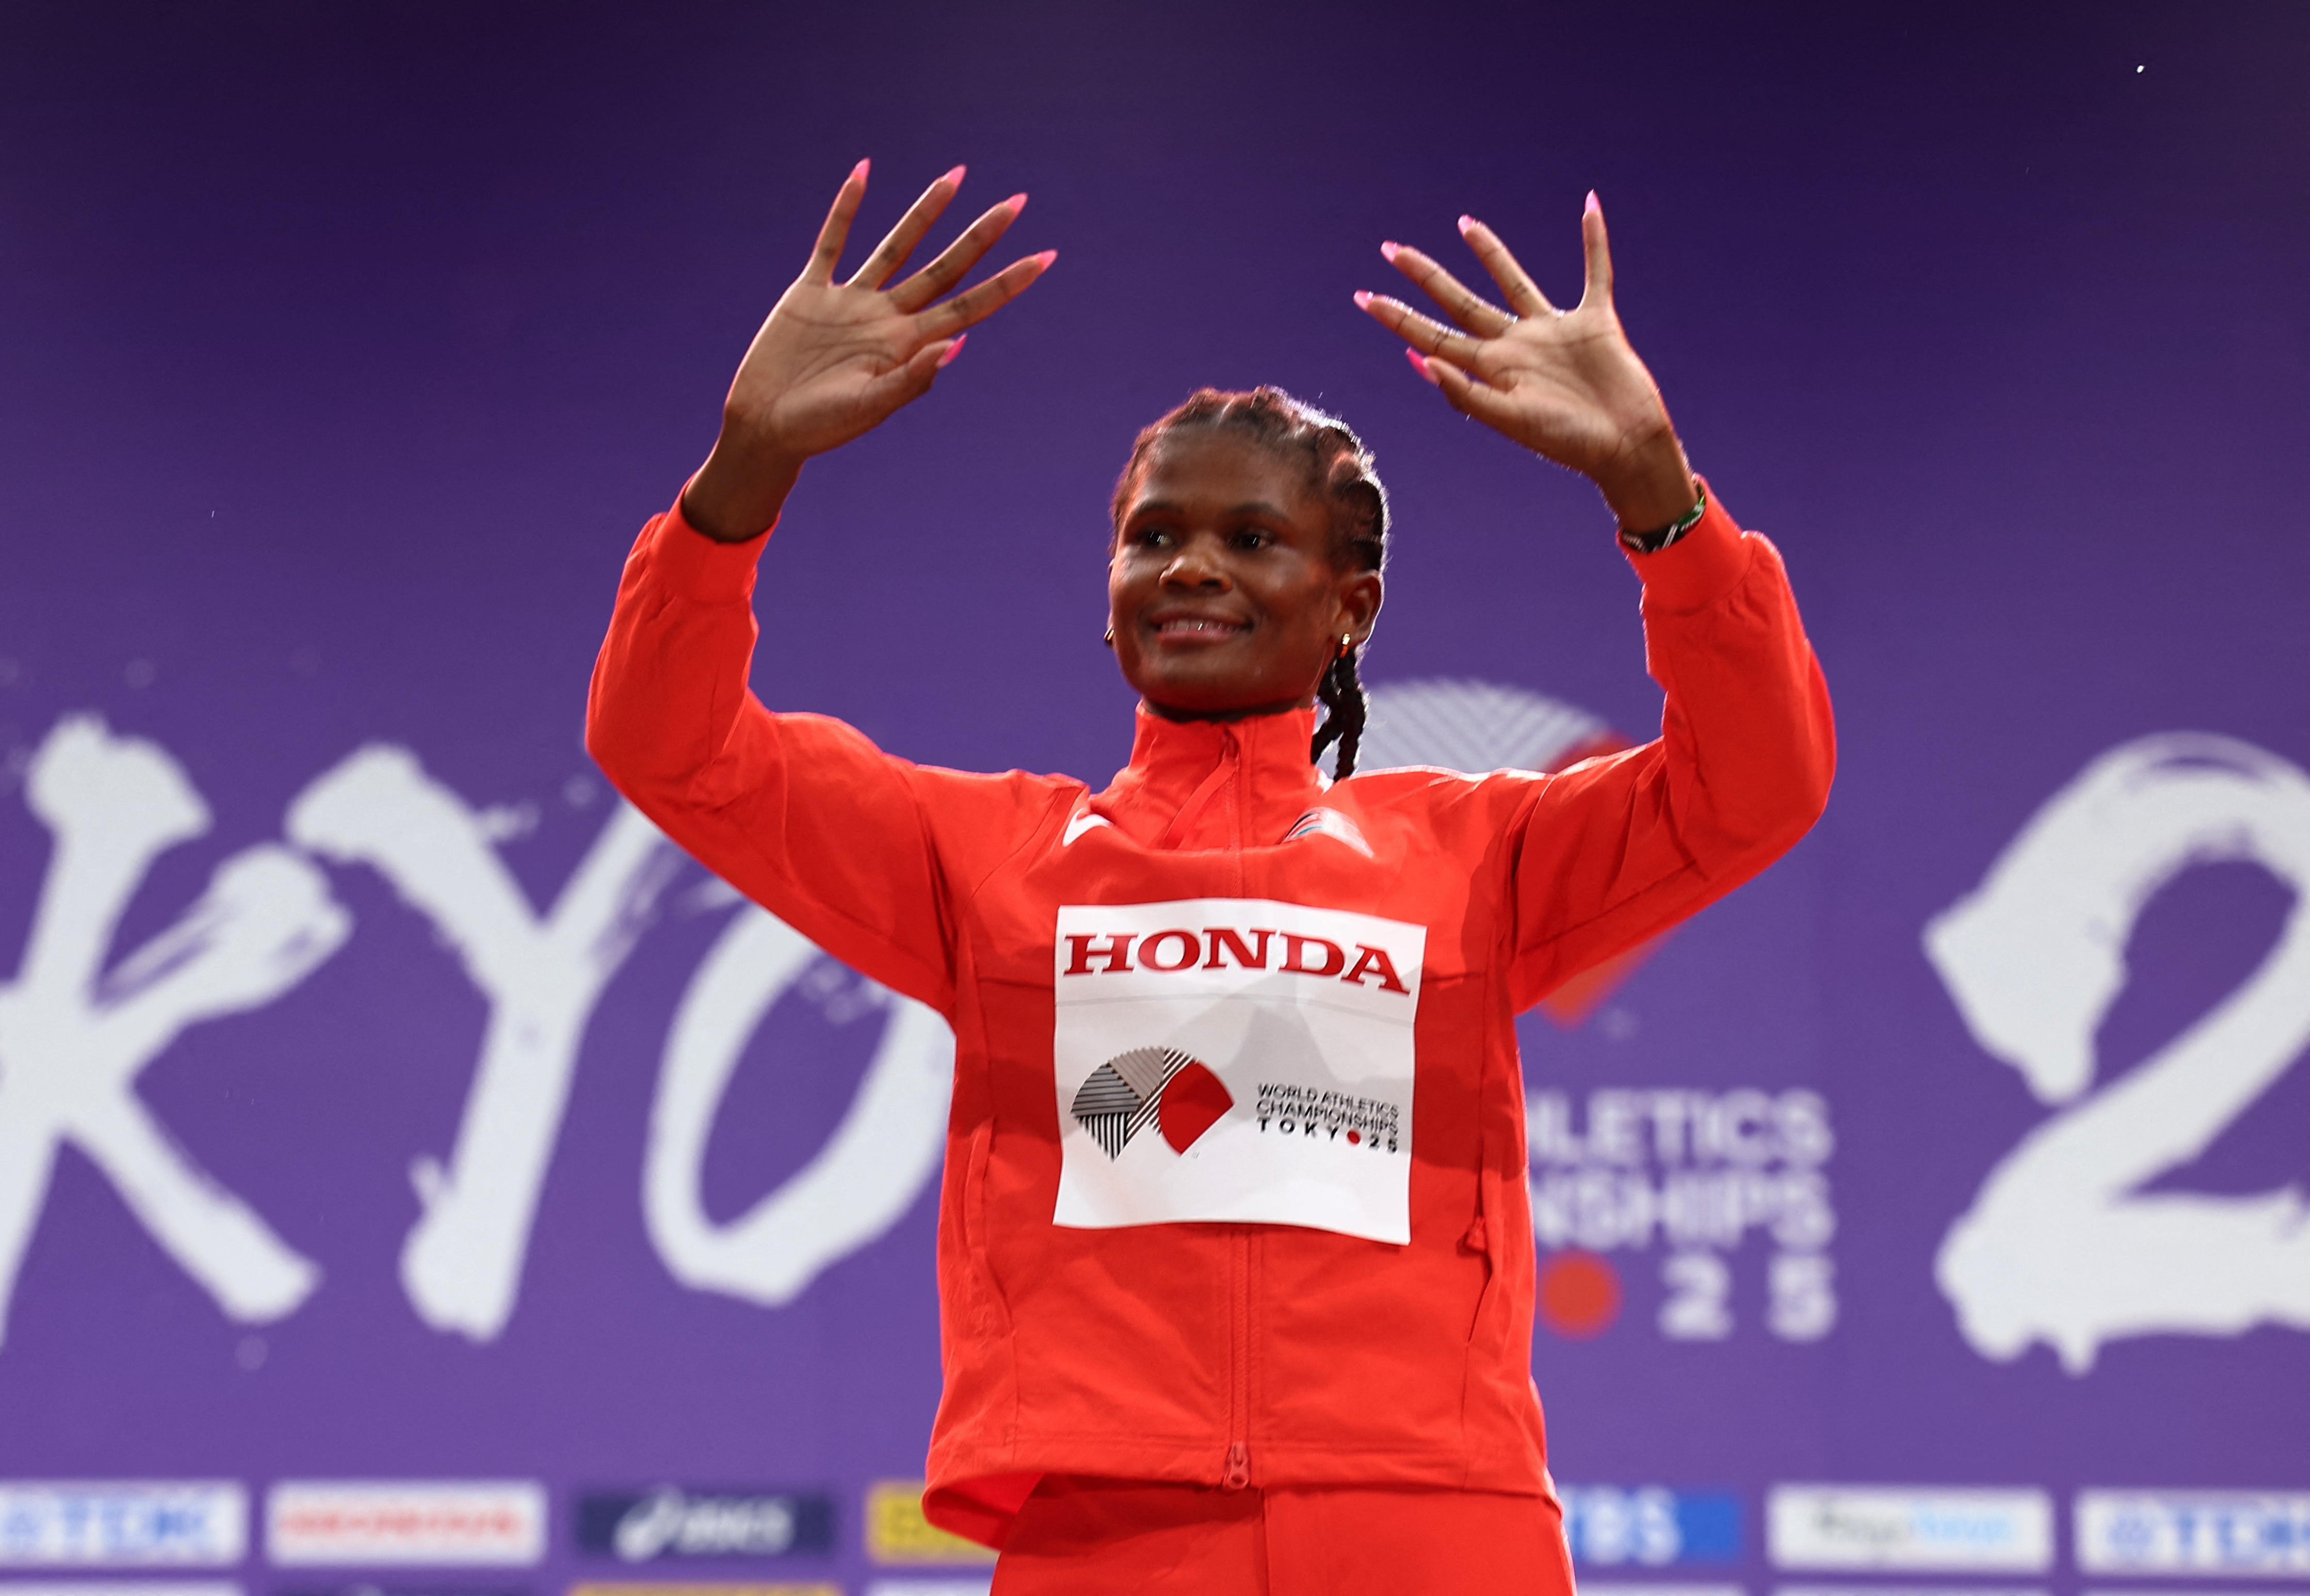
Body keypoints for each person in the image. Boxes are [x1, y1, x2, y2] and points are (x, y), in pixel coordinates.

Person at [588, 160, 1834, 1595]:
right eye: (1154, 536)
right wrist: (743, 474)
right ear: (1109, 597)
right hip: (1106, 1538)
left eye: (1251, 540)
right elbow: (670, 745)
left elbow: (1758, 783)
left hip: (1432, 1526)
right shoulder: (989, 859)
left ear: (1350, 606)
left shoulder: (1473, 857)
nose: (1190, 567)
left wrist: (1660, 498)